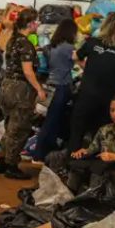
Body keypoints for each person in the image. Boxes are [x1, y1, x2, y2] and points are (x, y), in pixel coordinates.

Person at [68, 12, 115, 153]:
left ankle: (70, 167)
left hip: (86, 96)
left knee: (76, 134)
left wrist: (87, 68)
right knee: (100, 138)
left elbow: (75, 56)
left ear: (105, 25)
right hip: (107, 100)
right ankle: (94, 170)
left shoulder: (92, 42)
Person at [0, 8, 47, 180]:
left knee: (10, 125)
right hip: (20, 90)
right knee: (20, 128)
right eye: (37, 21)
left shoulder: (13, 40)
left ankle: (1, 160)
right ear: (31, 23)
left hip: (7, 86)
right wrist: (39, 88)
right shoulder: (25, 43)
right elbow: (27, 71)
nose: (38, 24)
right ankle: (11, 165)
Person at [30, 18, 77, 162]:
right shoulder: (68, 48)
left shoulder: (53, 46)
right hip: (61, 87)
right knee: (51, 122)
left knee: (52, 120)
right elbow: (80, 60)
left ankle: (46, 154)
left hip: (51, 86)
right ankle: (39, 156)